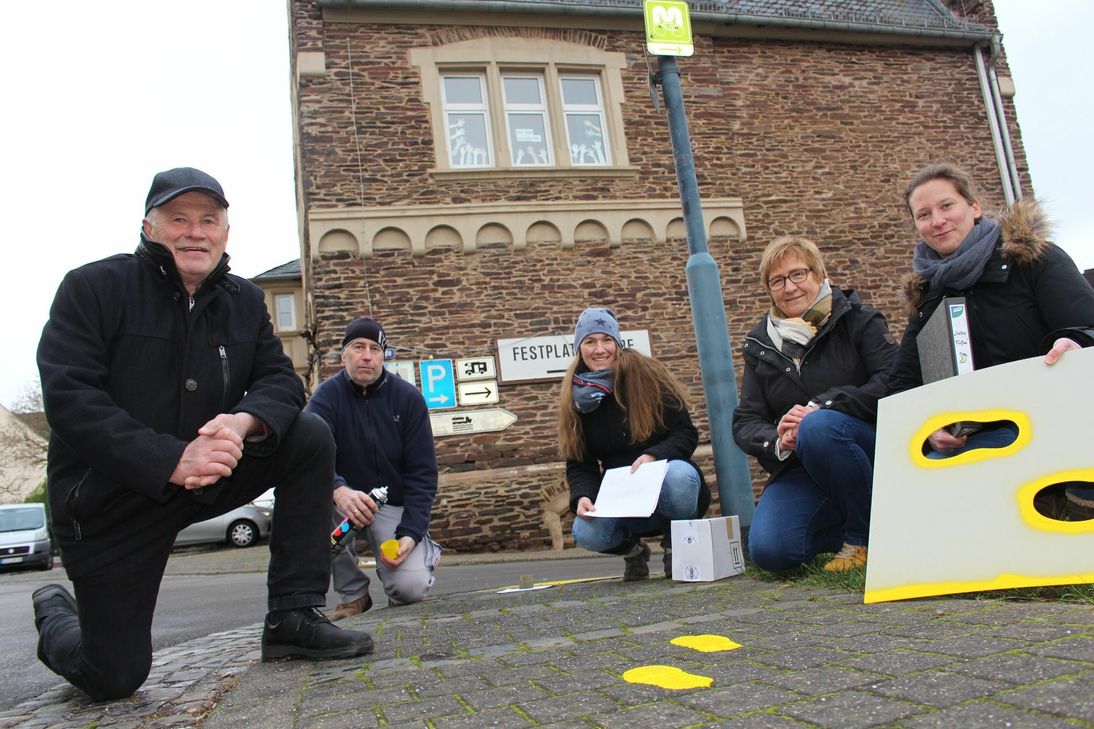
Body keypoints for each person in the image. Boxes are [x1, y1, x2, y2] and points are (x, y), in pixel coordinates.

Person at [32, 167, 374, 702]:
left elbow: (280, 381)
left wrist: (245, 421)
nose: (195, 232)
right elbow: (71, 399)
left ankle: (292, 617)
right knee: (112, 677)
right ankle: (55, 611)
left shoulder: (243, 301)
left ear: (224, 233)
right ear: (149, 227)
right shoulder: (92, 288)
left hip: (210, 477)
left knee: (307, 436)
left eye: (208, 220)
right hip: (112, 501)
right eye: (178, 219)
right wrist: (171, 459)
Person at [889, 162, 1094, 459]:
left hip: (1055, 417)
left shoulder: (1034, 259)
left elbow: (1088, 326)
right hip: (979, 437)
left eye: (947, 205)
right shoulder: (926, 297)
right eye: (924, 214)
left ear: (974, 207)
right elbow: (902, 385)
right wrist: (928, 428)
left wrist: (1076, 343)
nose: (938, 220)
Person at [732, 237, 898, 572]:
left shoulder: (860, 321)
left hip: (867, 449)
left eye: (797, 275)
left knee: (819, 425)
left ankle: (861, 538)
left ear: (819, 274)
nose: (789, 288)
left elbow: (893, 382)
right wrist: (778, 439)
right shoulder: (759, 344)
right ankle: (877, 520)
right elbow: (746, 420)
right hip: (801, 465)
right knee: (771, 552)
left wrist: (824, 405)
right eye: (777, 281)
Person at [558, 307, 710, 580]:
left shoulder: (649, 375)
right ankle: (633, 551)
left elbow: (685, 434)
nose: (600, 349)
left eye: (606, 340)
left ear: (618, 343)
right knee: (585, 531)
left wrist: (653, 456)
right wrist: (583, 496)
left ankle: (675, 543)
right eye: (590, 342)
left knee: (680, 476)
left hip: (664, 480)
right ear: (579, 348)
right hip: (621, 497)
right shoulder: (575, 396)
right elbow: (580, 463)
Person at [305, 317, 441, 619]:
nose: (367, 355)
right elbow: (310, 455)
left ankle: (419, 556)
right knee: (313, 510)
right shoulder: (325, 398)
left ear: (384, 356)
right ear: (344, 356)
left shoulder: (409, 399)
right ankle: (353, 595)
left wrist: (411, 532)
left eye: (375, 349)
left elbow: (422, 474)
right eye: (358, 347)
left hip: (392, 504)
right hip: (344, 505)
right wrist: (338, 490)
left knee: (411, 589)